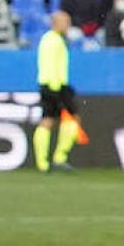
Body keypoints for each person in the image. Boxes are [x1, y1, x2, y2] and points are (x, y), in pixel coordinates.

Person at [32, 10, 85, 173]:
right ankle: (53, 160)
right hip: (53, 85)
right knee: (52, 120)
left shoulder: (54, 39)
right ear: (56, 23)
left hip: (55, 85)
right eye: (65, 22)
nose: (68, 25)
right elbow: (49, 65)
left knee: (57, 119)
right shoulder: (52, 40)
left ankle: (50, 160)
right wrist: (56, 88)